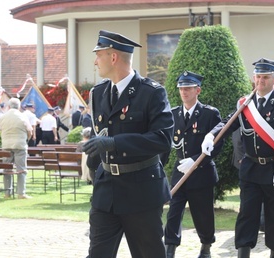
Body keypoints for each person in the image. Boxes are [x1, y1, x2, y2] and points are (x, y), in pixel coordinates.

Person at [82, 30, 174, 258]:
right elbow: (99, 134)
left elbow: (163, 139)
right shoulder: (98, 92)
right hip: (106, 191)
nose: (95, 62)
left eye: (99, 55)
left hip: (141, 191)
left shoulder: (151, 92)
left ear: (113, 57)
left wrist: (115, 143)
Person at [201, 58, 274, 258]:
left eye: (265, 77)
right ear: (253, 78)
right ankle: (243, 253)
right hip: (251, 168)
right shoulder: (245, 104)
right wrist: (211, 134)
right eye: (258, 77)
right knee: (247, 214)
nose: (261, 81)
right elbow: (229, 123)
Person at [164, 71, 222, 258]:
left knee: (203, 214)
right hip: (180, 171)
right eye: (181, 88)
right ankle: (170, 248)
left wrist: (196, 160)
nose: (184, 92)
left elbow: (217, 145)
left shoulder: (209, 114)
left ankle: (206, 247)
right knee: (173, 211)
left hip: (202, 173)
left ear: (198, 90)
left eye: (188, 88)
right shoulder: (173, 114)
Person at [0, 98, 33, 199]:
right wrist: (26, 139)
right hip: (20, 145)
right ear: (18, 107)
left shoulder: (2, 117)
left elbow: (0, 130)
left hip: (6, 145)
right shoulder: (23, 116)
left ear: (8, 106)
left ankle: (7, 193)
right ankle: (21, 193)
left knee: (6, 169)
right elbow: (30, 131)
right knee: (21, 170)